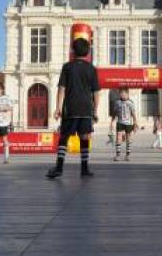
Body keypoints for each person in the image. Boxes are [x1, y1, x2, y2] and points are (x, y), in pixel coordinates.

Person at [47, 37, 100, 179]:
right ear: (88, 52)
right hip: (86, 108)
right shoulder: (92, 69)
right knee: (84, 137)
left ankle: (58, 168)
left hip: (70, 108)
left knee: (64, 137)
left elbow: (61, 88)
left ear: (73, 51)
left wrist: (58, 107)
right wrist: (95, 111)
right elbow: (96, 92)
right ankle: (84, 168)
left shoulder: (67, 67)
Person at [110, 88, 138, 161]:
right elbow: (114, 113)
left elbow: (133, 114)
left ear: (127, 94)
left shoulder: (130, 103)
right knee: (118, 137)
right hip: (120, 122)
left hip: (128, 123)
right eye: (121, 93)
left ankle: (128, 155)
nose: (122, 95)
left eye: (124, 93)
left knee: (128, 138)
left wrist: (135, 123)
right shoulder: (117, 102)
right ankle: (118, 154)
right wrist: (112, 122)